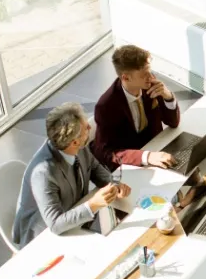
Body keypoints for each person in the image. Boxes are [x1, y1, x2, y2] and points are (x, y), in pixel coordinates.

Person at [13, 102, 131, 248]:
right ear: (74, 142)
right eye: (85, 127)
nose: (89, 126)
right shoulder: (43, 173)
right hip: (42, 236)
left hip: (74, 216)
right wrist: (92, 205)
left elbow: (94, 168)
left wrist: (113, 184)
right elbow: (55, 224)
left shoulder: (76, 146)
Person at [91, 45, 181, 171]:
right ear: (126, 78)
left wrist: (168, 96)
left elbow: (173, 122)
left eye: (150, 70)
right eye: (144, 74)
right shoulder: (106, 106)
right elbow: (106, 153)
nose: (151, 77)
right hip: (134, 164)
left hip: (158, 149)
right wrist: (147, 157)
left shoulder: (149, 84)